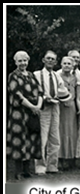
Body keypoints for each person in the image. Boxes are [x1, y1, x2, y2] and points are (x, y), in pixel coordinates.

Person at [33, 50, 72, 175]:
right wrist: (44, 98)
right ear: (43, 60)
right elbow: (33, 92)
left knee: (55, 138)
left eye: (53, 59)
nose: (50, 61)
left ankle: (52, 166)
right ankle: (40, 166)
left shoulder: (56, 76)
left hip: (55, 107)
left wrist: (58, 97)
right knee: (42, 138)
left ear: (55, 62)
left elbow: (63, 92)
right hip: (43, 107)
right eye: (48, 58)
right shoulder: (36, 74)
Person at [7, 51, 43, 180]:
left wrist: (38, 105)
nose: (23, 63)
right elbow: (17, 94)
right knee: (19, 140)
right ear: (15, 62)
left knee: (31, 139)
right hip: (19, 113)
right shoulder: (13, 76)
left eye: (25, 60)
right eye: (20, 61)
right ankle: (18, 171)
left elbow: (40, 91)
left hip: (32, 113)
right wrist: (32, 106)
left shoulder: (31, 75)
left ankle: (27, 170)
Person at [56, 56, 79, 170]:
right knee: (61, 131)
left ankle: (69, 159)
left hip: (72, 107)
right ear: (61, 64)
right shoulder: (57, 76)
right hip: (60, 106)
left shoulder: (74, 78)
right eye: (64, 63)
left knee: (71, 131)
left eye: (69, 64)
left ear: (73, 66)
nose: (66, 65)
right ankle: (59, 158)